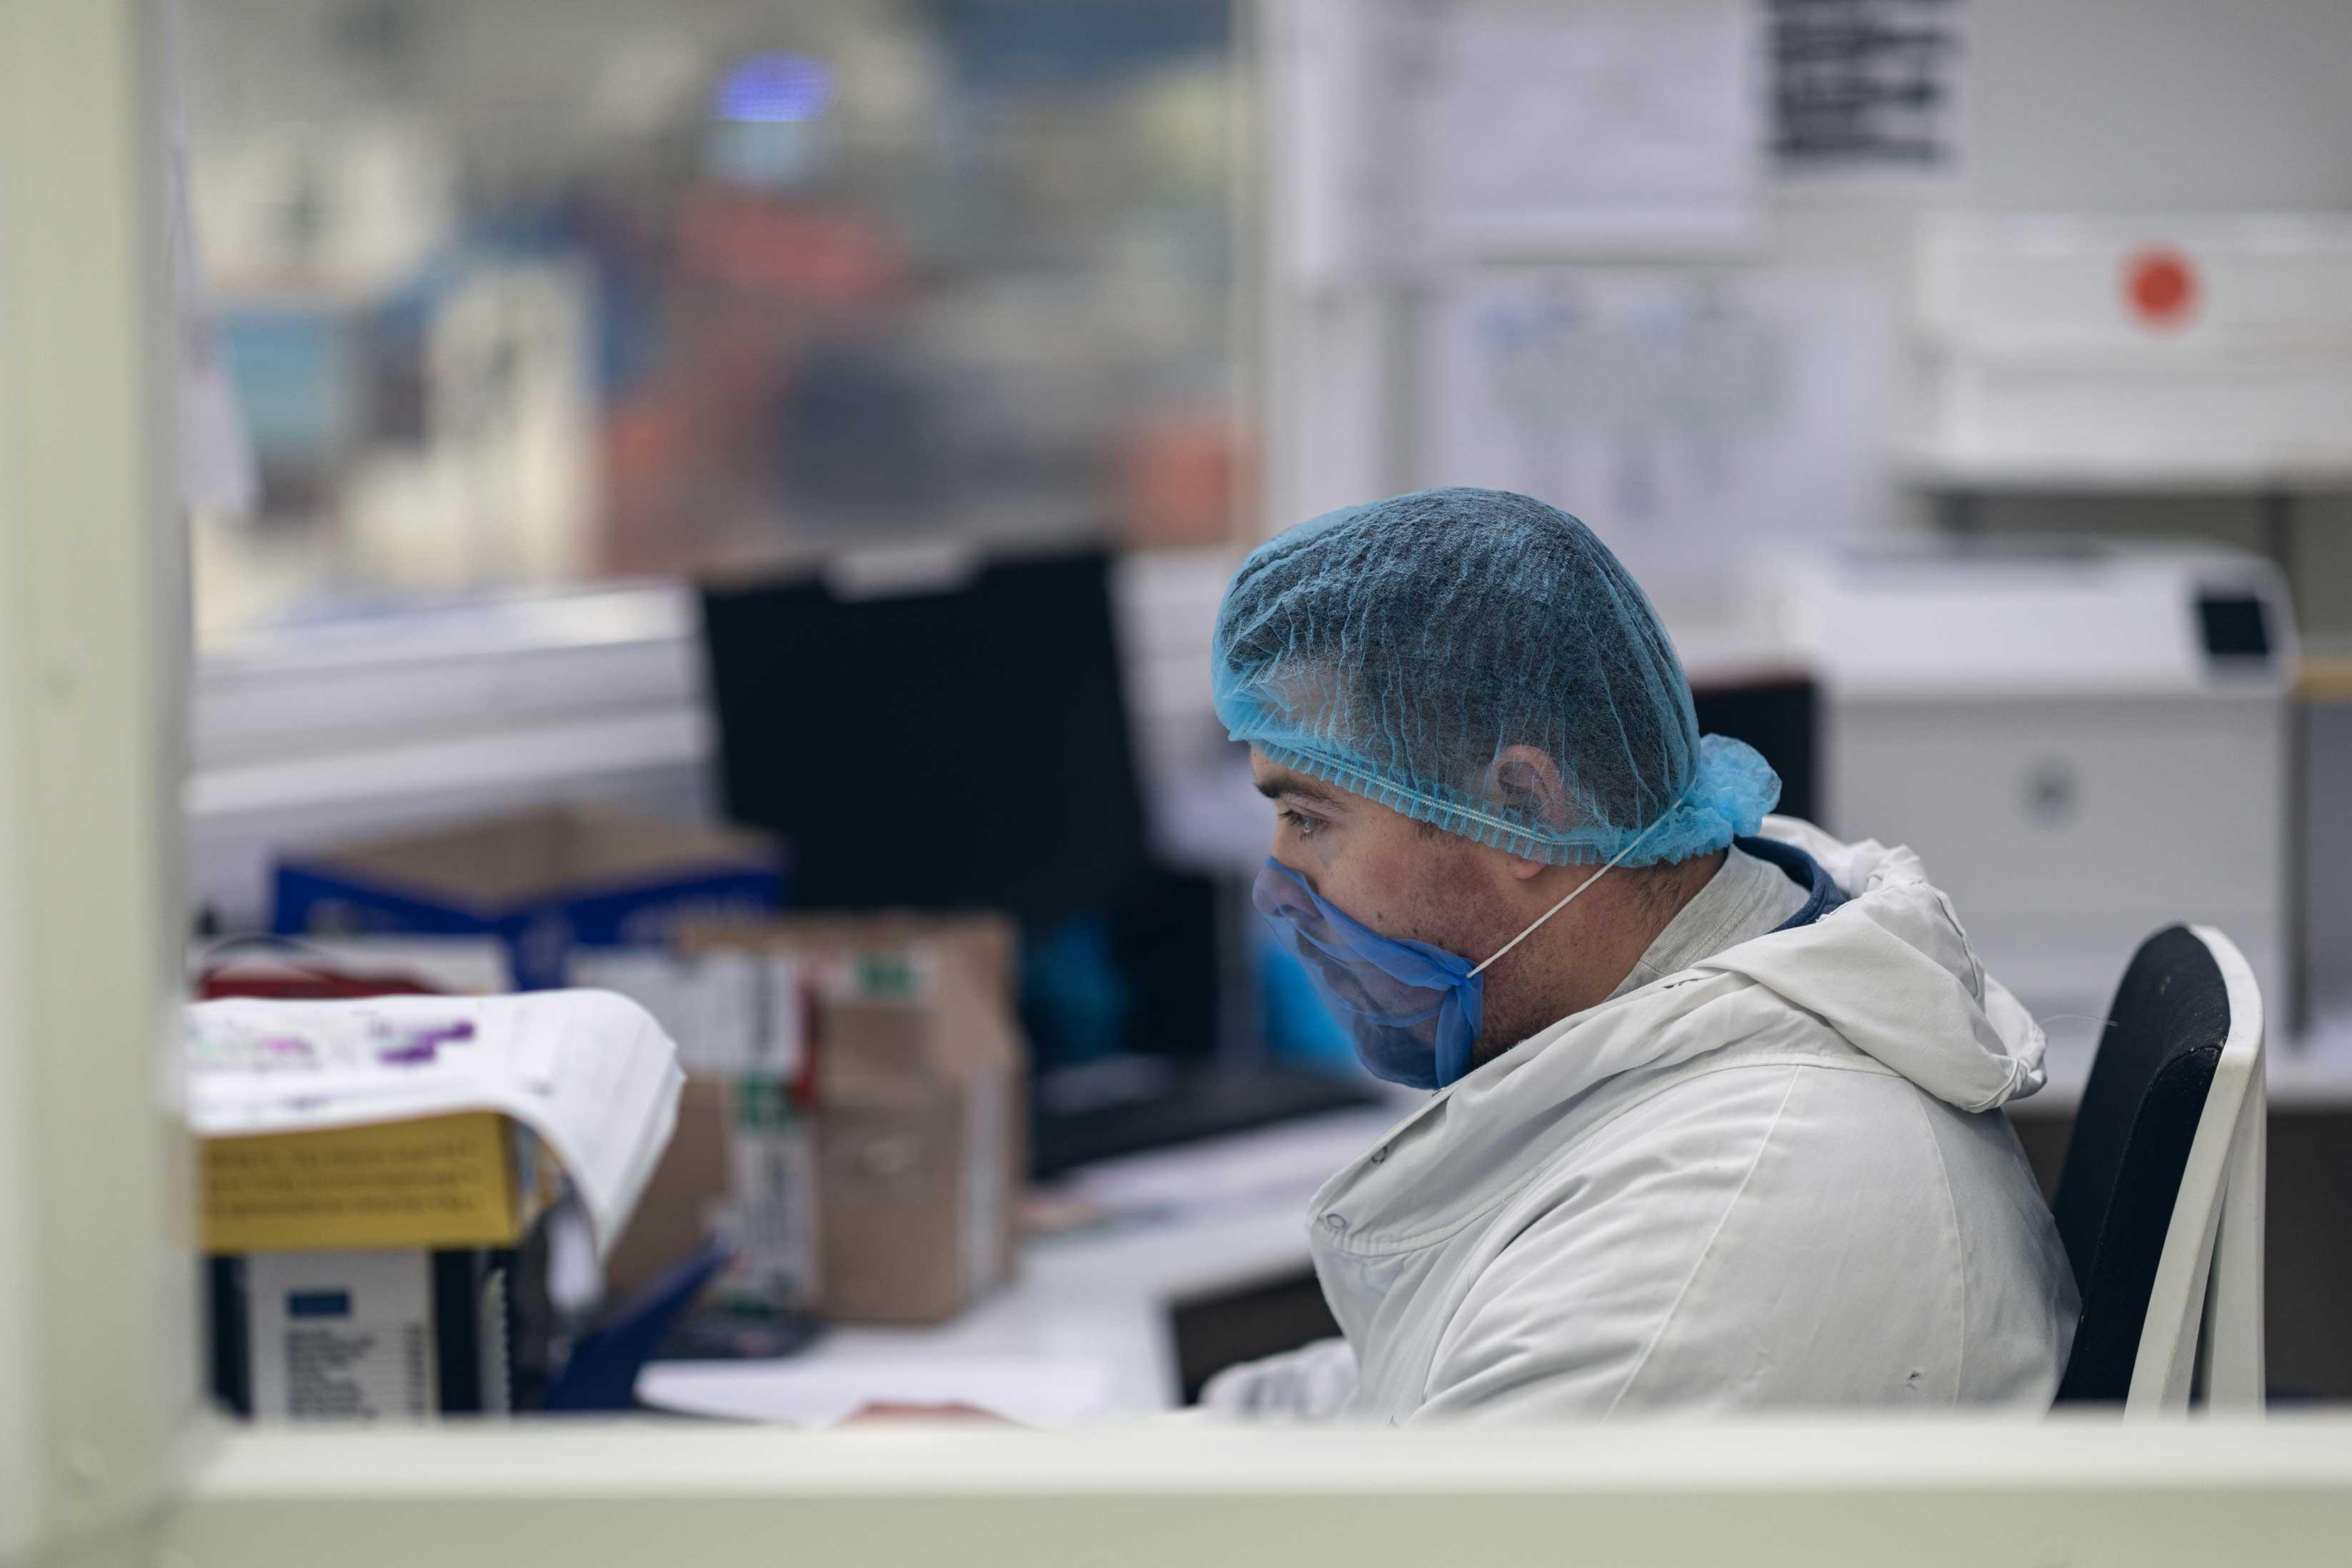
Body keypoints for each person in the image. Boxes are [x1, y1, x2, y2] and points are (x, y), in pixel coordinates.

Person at [1201, 486, 2077, 1422]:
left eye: (1309, 817)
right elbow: (1396, 1385)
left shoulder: (1716, 1218)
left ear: (1519, 809)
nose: (1277, 884)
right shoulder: (1667, 1005)